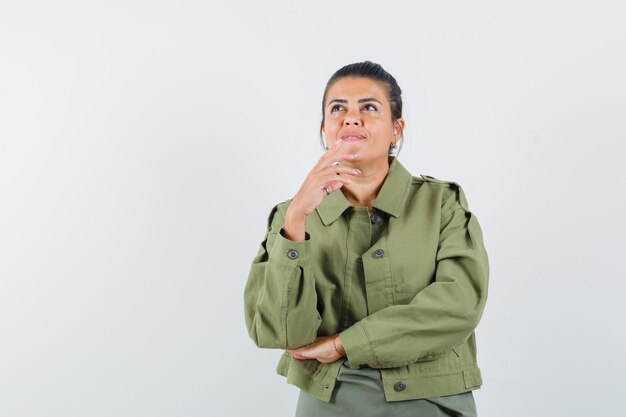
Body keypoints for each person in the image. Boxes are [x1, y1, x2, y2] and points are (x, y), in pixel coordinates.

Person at [243, 61, 490, 417]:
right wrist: (297, 219)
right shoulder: (290, 216)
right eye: (338, 108)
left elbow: (459, 306)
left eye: (369, 108)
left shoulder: (442, 204)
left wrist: (346, 344)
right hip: (331, 402)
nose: (351, 118)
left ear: (396, 129)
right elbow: (280, 332)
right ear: (325, 128)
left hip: (430, 400)